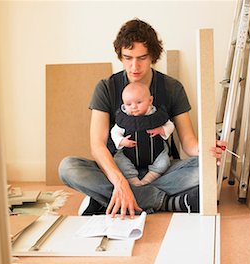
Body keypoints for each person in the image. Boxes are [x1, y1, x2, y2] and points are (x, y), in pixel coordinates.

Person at [59, 18, 226, 218]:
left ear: (153, 56)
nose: (134, 66)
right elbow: (97, 146)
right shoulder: (106, 88)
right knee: (68, 167)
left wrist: (206, 149)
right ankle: (164, 201)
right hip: (117, 169)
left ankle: (108, 201)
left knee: (207, 168)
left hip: (160, 169)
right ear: (120, 56)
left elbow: (189, 143)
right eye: (128, 58)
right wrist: (120, 181)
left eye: (142, 58)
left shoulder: (172, 88)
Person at [111, 81, 175, 186]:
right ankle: (133, 180)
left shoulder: (157, 115)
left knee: (164, 162)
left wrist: (161, 130)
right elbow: (114, 132)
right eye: (128, 104)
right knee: (118, 161)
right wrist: (122, 141)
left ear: (150, 100)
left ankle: (148, 179)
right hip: (129, 154)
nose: (133, 107)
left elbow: (170, 126)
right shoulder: (124, 118)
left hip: (156, 153)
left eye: (139, 102)